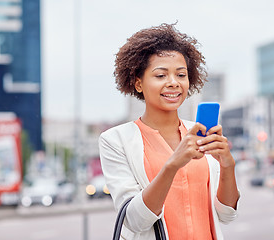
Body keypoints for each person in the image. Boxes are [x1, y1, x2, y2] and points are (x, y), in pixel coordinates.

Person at [99, 23, 239, 239]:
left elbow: (227, 214)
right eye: (161, 76)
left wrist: (228, 166)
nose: (173, 83)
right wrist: (173, 164)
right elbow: (135, 220)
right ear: (138, 83)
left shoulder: (199, 132)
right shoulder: (115, 140)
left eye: (181, 75)